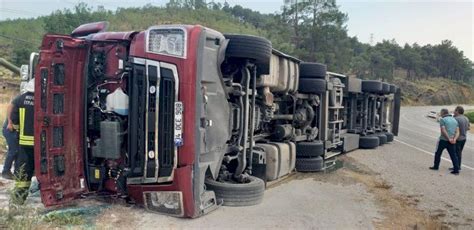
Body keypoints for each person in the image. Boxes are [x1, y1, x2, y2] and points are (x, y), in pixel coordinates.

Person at [11, 80, 35, 204]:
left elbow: (14, 120)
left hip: (24, 142)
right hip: (40, 144)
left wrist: (17, 130)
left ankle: (19, 199)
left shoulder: (19, 100)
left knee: (24, 170)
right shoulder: (44, 101)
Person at [429, 108, 460, 174]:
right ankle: (456, 170)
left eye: (441, 113)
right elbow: (457, 132)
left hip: (443, 140)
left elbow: (443, 130)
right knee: (453, 155)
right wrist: (454, 139)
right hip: (452, 141)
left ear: (443, 113)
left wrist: (448, 138)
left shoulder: (442, 120)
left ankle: (436, 166)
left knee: (438, 153)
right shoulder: (455, 120)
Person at [452, 106, 470, 171]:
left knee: (456, 153)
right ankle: (456, 166)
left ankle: (457, 167)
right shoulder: (466, 118)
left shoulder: (456, 119)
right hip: (464, 138)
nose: (454, 111)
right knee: (459, 153)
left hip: (458, 138)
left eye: (454, 110)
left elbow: (453, 129)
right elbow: (468, 128)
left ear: (457, 111)